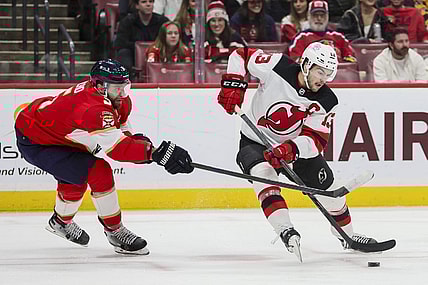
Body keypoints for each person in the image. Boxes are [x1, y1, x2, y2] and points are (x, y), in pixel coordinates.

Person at [14, 59, 194, 255]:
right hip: (36, 140)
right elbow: (117, 149)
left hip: (55, 132)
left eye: (125, 87)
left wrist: (152, 150)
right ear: (100, 86)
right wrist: (155, 153)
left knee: (76, 176)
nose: (122, 94)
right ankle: (115, 232)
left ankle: (60, 222)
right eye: (117, 88)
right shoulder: (94, 108)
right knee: (98, 171)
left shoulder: (116, 98)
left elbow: (123, 135)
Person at [217, 42, 377, 261]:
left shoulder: (327, 101)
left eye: (329, 74)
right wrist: (234, 85)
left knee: (331, 193)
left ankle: (347, 236)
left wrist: (289, 149)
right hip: (255, 141)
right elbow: (241, 54)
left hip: (294, 149)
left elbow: (316, 140)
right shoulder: (277, 66)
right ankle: (285, 230)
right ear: (306, 64)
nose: (324, 79)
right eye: (320, 71)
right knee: (263, 176)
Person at [289, 1, 357, 62]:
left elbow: (351, 59)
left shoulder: (339, 37)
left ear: (327, 17)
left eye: (322, 15)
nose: (319, 18)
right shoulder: (300, 38)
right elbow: (295, 61)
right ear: (308, 16)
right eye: (315, 15)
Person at [114, 0, 169, 73]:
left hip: (158, 54)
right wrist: (139, 48)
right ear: (137, 6)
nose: (148, 4)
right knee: (123, 53)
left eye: (151, 1)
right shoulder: (127, 22)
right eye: (144, 2)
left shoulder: (162, 21)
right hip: (133, 55)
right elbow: (120, 44)